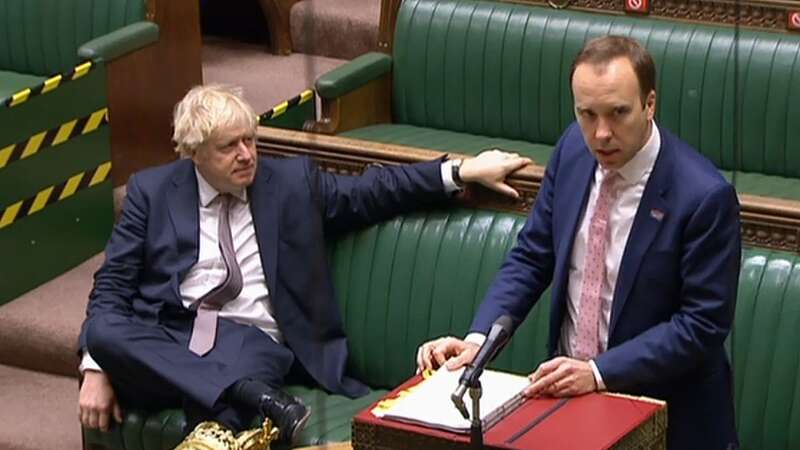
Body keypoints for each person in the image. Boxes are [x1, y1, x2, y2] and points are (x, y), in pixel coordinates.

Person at [77, 84, 531, 444]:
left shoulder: (291, 184)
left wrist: (459, 171)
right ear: (193, 153)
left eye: (250, 140)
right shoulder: (151, 192)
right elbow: (111, 286)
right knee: (102, 333)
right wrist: (97, 368)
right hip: (173, 332)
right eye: (229, 147)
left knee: (219, 385)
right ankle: (249, 396)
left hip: (252, 341)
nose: (247, 155)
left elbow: (373, 191)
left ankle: (243, 391)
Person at [416, 36, 740, 450]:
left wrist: (598, 372)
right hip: (573, 409)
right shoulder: (572, 149)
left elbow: (701, 325)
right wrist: (479, 343)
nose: (600, 134)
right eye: (587, 114)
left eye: (618, 113)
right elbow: (533, 256)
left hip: (669, 419)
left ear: (650, 104)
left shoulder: (703, 196)